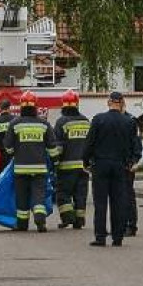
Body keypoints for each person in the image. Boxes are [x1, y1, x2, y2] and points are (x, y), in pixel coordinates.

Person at [83, 91, 141, 247]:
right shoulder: (129, 122)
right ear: (121, 102)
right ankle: (117, 237)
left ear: (109, 102)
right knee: (119, 202)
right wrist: (132, 161)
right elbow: (136, 146)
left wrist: (85, 162)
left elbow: (89, 144)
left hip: (100, 165)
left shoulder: (98, 120)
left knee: (100, 202)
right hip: (120, 166)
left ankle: (100, 237)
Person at [3, 90, 60, 232]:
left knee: (21, 195)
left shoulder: (14, 124)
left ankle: (22, 224)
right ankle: (40, 219)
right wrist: (56, 162)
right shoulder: (44, 124)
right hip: (39, 168)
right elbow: (52, 147)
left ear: (21, 106)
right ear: (36, 107)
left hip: (20, 168)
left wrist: (14, 153)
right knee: (38, 194)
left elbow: (8, 146)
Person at [54, 89, 90, 230]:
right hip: (83, 166)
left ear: (63, 104)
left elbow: (59, 146)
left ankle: (68, 218)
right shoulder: (85, 121)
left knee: (63, 193)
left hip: (66, 167)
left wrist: (55, 161)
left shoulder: (61, 122)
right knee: (80, 194)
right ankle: (79, 220)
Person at [119, 99, 143, 236]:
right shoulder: (113, 120)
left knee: (128, 195)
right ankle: (120, 225)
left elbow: (137, 143)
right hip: (116, 163)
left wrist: (135, 161)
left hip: (127, 163)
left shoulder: (131, 121)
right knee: (118, 196)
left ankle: (131, 225)